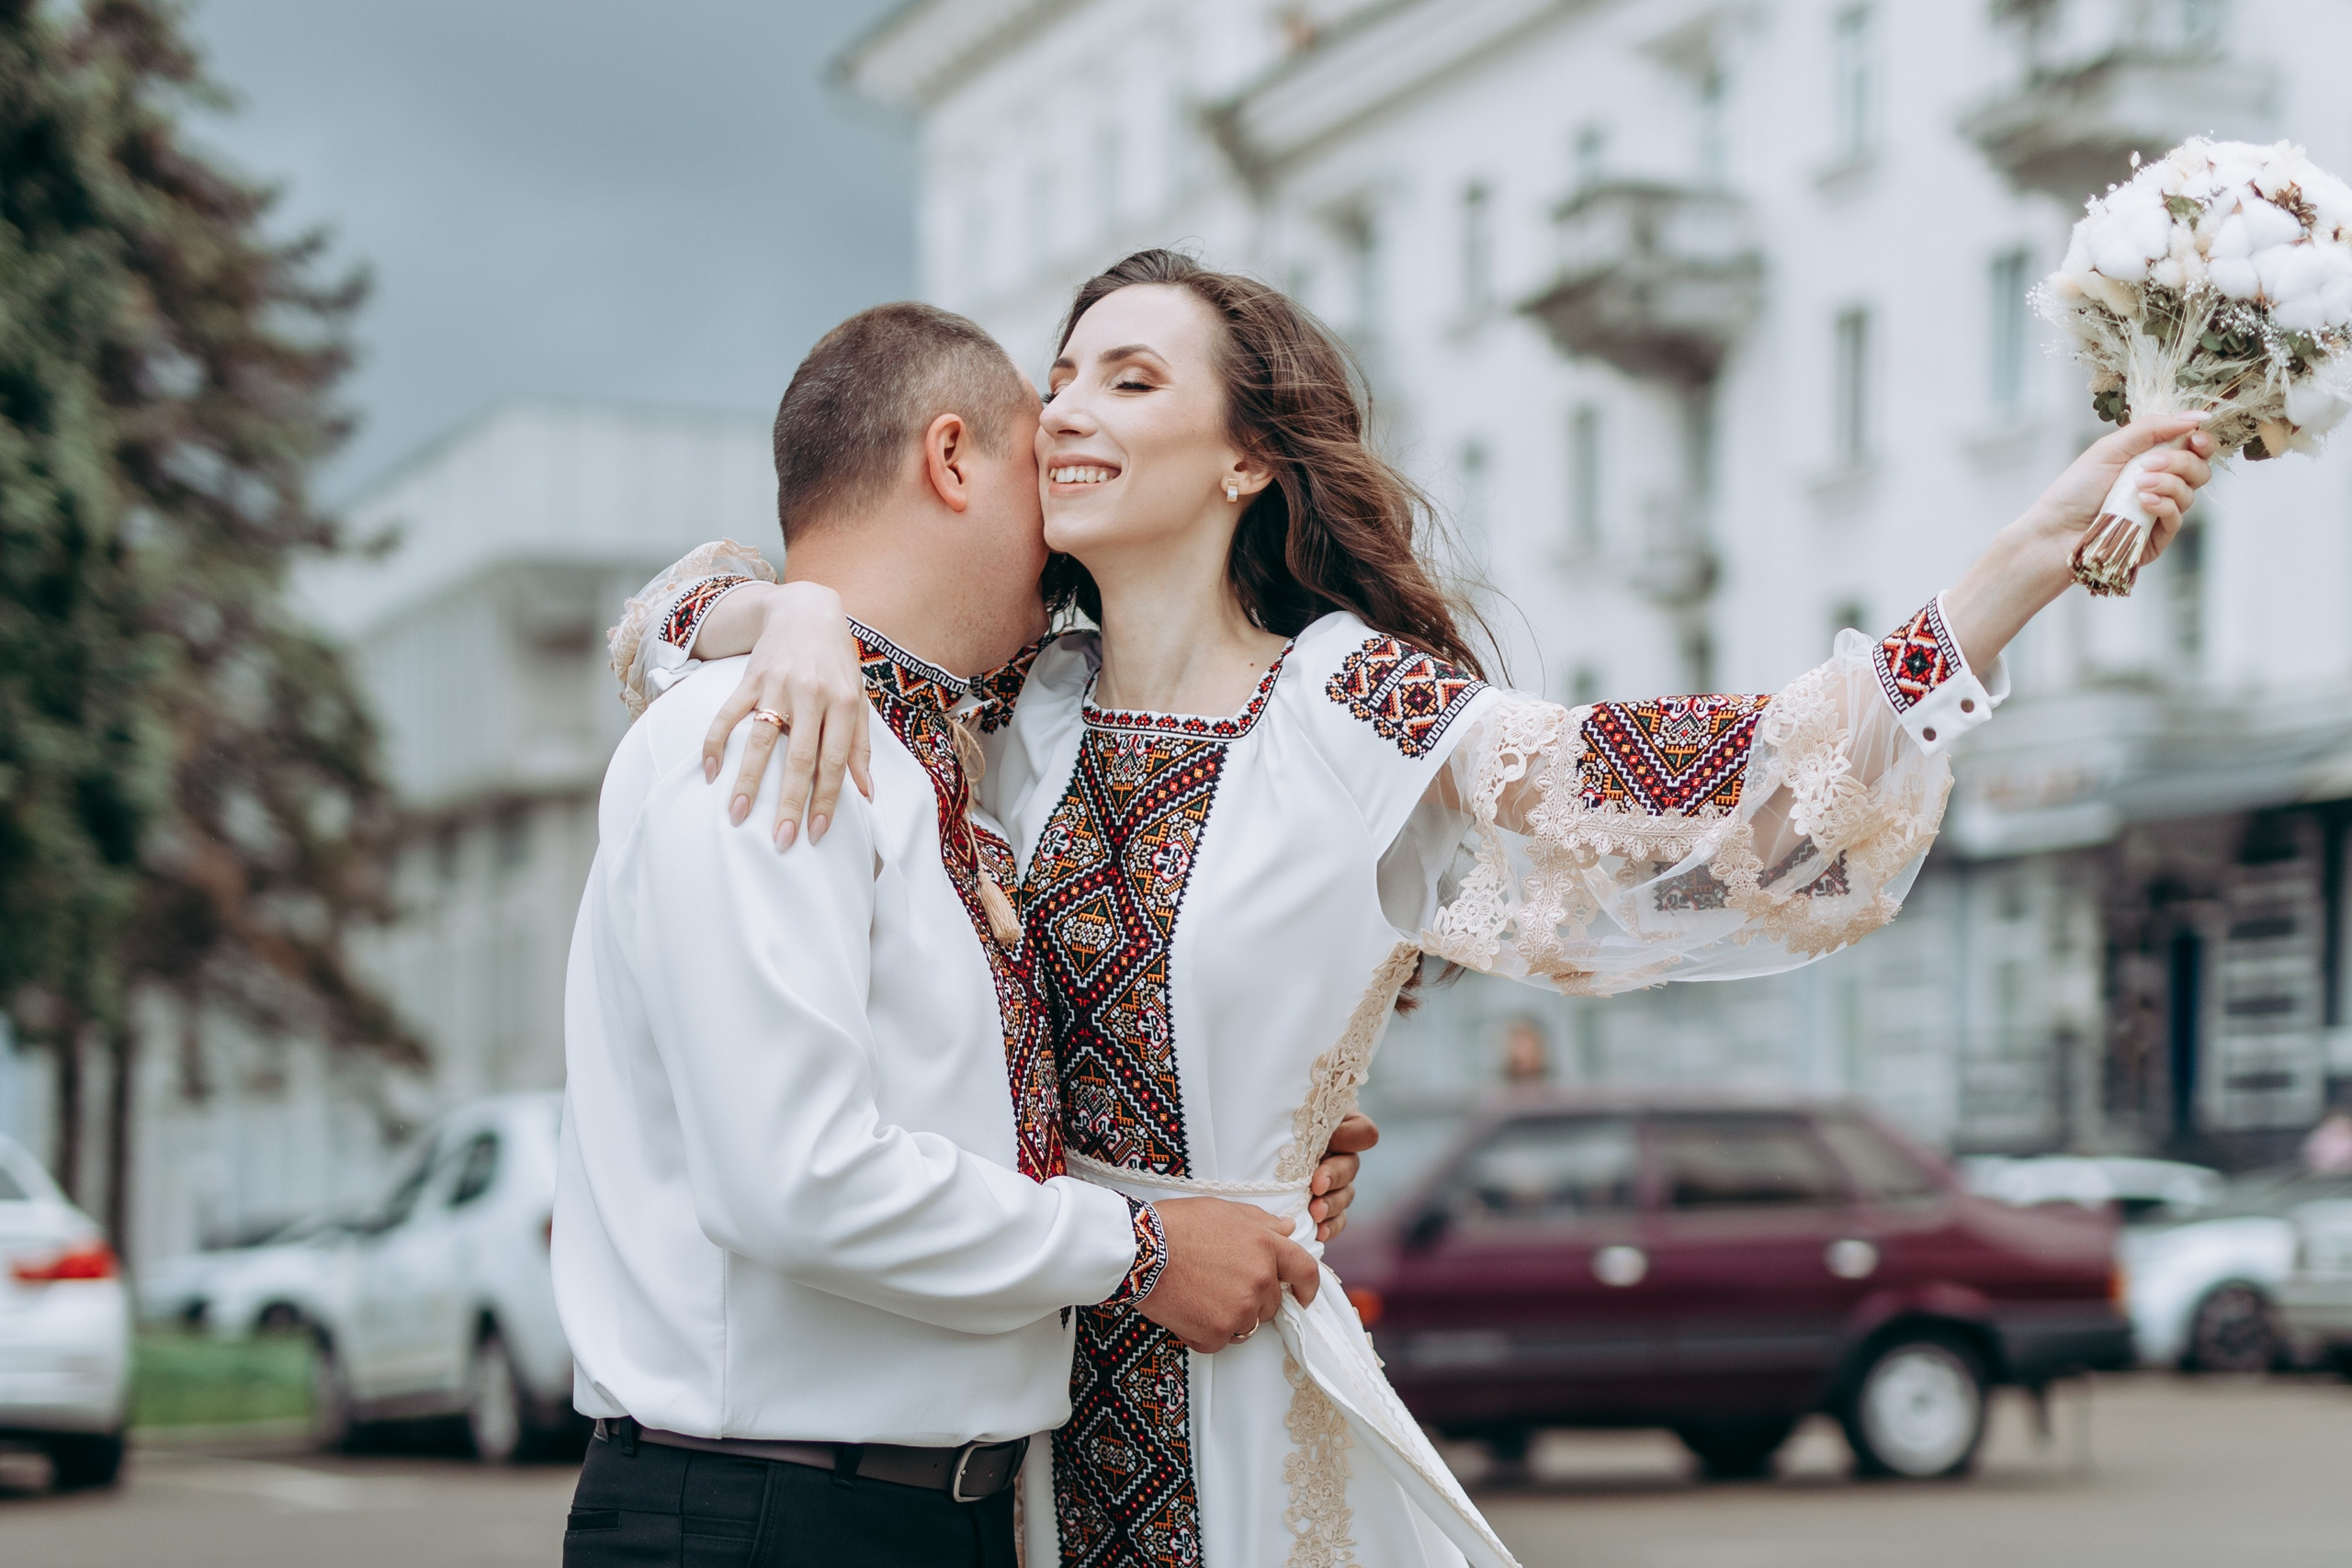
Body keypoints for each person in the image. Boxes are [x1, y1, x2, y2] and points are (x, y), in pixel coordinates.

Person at [621, 252, 2216, 1566]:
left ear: (1247, 460)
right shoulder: (1007, 693)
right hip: (991, 1419)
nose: (1067, 412)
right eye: (1060, 377)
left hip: (1228, 1398)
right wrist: (802, 608)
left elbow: (1703, 789)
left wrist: (2021, 563)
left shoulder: (1357, 710)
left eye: (1130, 379)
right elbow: (658, 630)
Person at [557, 300, 1375, 1568]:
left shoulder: (942, 749)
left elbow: (963, 1103)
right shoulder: (771, 735)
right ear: (950, 462)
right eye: (1033, 463)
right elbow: (799, 1181)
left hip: (939, 1513)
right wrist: (1143, 1249)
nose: (1058, 521)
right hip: (765, 1515)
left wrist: (1247, 1126)